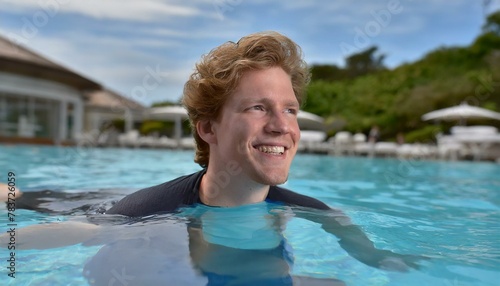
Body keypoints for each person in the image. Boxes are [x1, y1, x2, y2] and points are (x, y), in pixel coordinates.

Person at [2, 31, 424, 285]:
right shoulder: (144, 211)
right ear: (208, 129)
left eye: (290, 109)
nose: (282, 125)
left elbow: (358, 241)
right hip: (109, 204)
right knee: (30, 199)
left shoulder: (316, 212)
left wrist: (388, 261)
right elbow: (79, 230)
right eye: (257, 107)